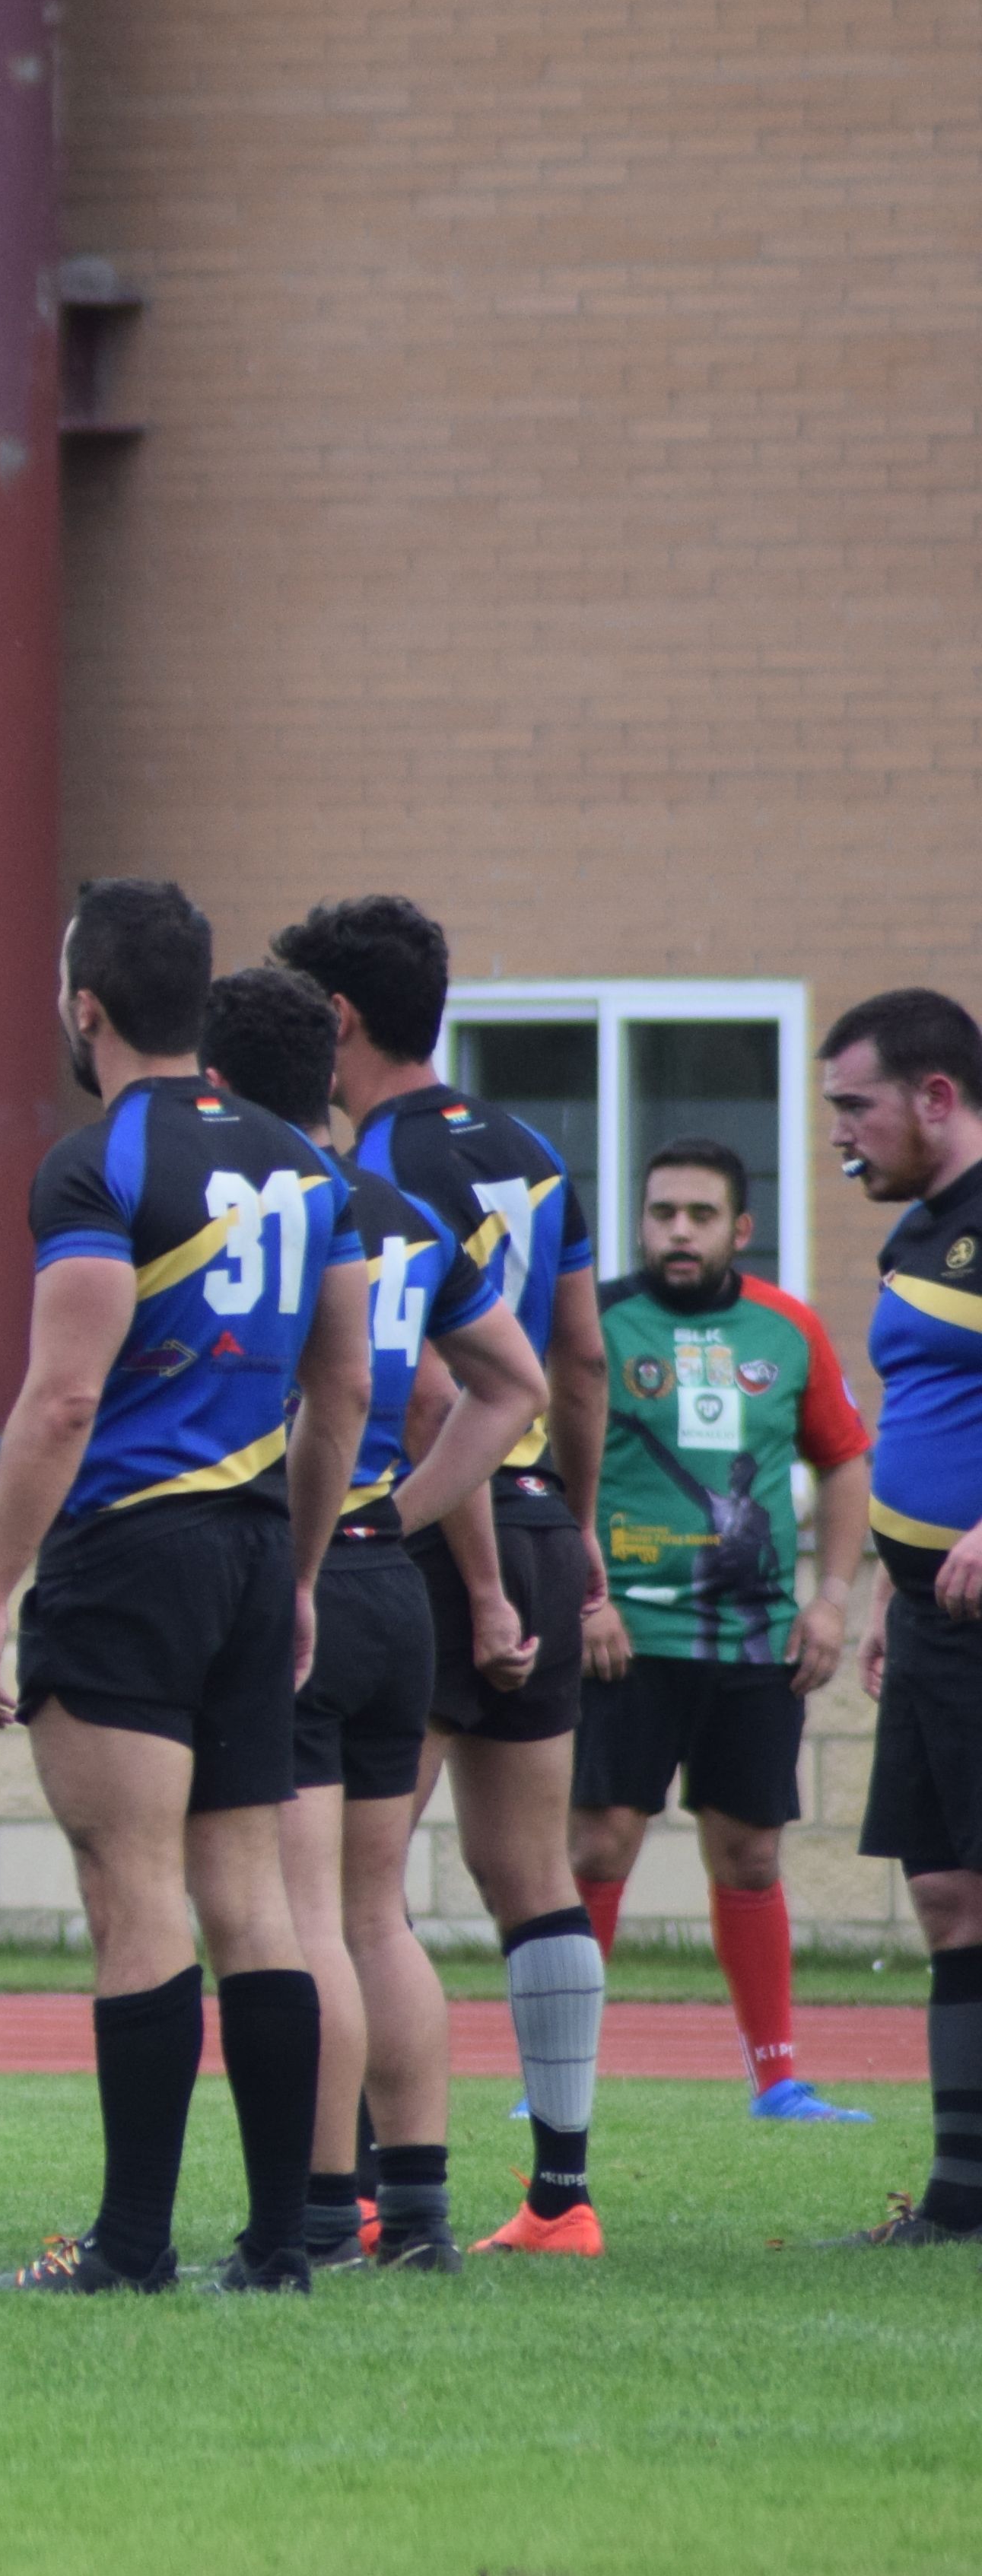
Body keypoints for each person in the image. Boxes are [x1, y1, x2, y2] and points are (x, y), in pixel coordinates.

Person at [0, 883, 367, 2296]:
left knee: (134, 1894)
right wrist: (299, 1570)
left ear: (89, 1008)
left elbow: (63, 1401)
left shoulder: (96, 1165)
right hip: (254, 1552)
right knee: (251, 1897)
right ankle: (281, 2246)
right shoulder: (316, 1170)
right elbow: (346, 1390)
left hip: (131, 1552)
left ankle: (130, 2249)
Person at [275, 894, 618, 2259]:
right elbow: (580, 1361)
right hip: (538, 1519)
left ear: (336, 1022)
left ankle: (358, 2186)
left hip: (416, 1527)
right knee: (529, 1870)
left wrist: (405, 1525)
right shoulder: (532, 1149)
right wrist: (575, 1534)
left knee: (364, 1886)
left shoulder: (376, 1165)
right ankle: (561, 2190)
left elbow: (422, 1393)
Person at [198, 967, 547, 2272]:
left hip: (294, 1578)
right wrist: (403, 1515)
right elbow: (505, 1384)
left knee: (294, 1918)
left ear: (218, 1086)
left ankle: (319, 2213)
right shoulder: (402, 1211)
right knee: (377, 1913)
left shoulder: (255, 1207)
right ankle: (417, 2216)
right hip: (389, 1587)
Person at [574, 1134, 878, 2123]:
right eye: (662, 1212)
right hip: (626, 1636)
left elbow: (843, 1462)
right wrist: (586, 1597)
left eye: (700, 1215)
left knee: (750, 1853)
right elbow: (539, 1462)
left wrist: (830, 1599)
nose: (678, 1232)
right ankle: (558, 2071)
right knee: (598, 1846)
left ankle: (778, 2079)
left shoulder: (788, 1329)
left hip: (754, 1646)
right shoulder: (594, 1324)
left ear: (739, 1229)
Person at [815, 988, 982, 2247]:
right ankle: (960, 2201)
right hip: (925, 1617)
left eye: (853, 1107)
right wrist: (881, 1587)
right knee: (945, 1895)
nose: (840, 1137)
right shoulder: (916, 1238)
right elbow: (911, 1426)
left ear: (936, 1095)